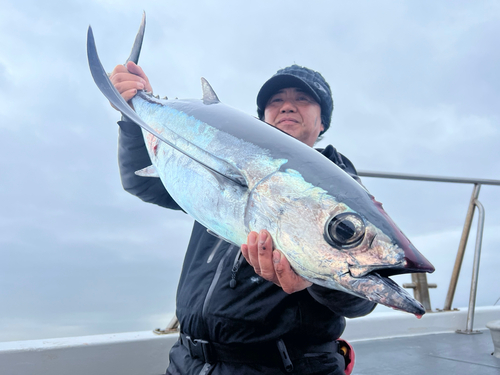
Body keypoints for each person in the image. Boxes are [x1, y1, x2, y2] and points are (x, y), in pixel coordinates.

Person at [110, 62, 376, 375]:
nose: (286, 106)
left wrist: (316, 280)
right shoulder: (224, 161)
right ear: (263, 117)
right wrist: (132, 114)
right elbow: (141, 181)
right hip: (187, 361)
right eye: (275, 101)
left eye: (302, 99)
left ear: (323, 122)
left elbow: (363, 298)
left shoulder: (341, 197)